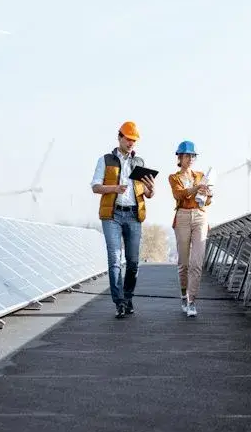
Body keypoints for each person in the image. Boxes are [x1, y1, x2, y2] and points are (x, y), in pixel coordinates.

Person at [91, 121, 156, 318]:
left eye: (134, 140)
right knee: (114, 260)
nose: (131, 143)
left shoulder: (140, 163)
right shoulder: (105, 160)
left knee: (134, 262)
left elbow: (147, 193)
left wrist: (152, 189)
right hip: (112, 215)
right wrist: (114, 188)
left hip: (134, 214)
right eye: (128, 139)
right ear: (119, 137)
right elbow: (95, 187)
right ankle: (119, 302)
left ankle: (128, 298)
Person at [168, 140, 212, 317]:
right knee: (184, 264)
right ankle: (183, 295)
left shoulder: (200, 175)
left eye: (193, 155)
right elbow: (179, 194)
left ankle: (192, 300)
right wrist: (196, 188)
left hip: (200, 216)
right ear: (180, 157)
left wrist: (207, 194)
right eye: (187, 155)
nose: (191, 158)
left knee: (197, 262)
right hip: (183, 217)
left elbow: (206, 201)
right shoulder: (174, 177)